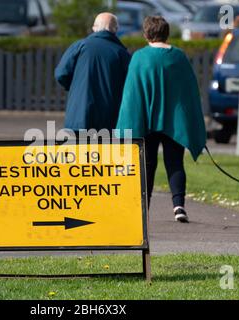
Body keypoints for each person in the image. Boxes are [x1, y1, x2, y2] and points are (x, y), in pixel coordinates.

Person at [116, 16, 206, 223]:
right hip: (174, 122)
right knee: (175, 163)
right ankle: (179, 206)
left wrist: (126, 125)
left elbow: (131, 95)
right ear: (167, 33)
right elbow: (190, 92)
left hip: (145, 122)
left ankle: (143, 210)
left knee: (147, 165)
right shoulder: (179, 57)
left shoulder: (139, 57)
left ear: (146, 34)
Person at [55, 13, 131, 133]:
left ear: (94, 28)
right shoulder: (122, 53)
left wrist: (76, 87)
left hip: (77, 117)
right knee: (103, 152)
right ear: (115, 30)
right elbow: (129, 85)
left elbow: (61, 73)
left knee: (79, 151)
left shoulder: (80, 46)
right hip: (108, 119)